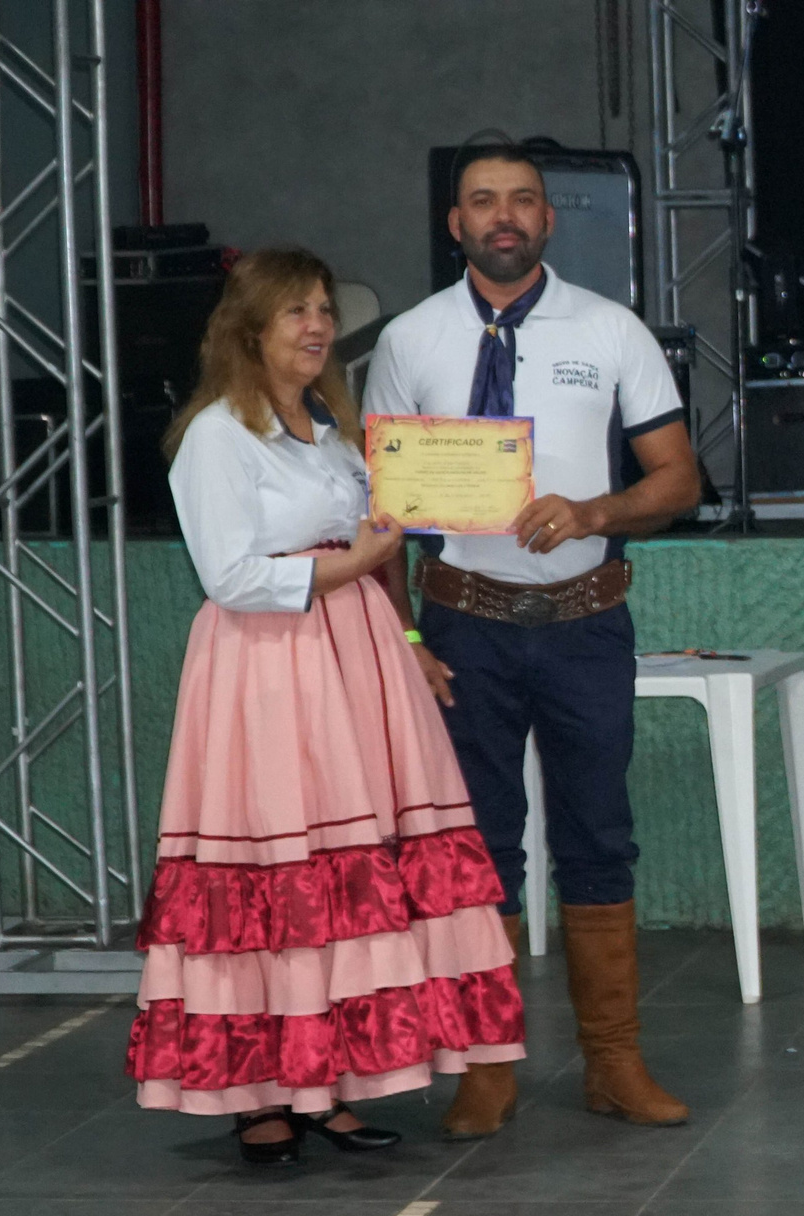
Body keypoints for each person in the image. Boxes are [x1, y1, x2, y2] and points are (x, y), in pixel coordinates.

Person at [126, 249, 525, 1165]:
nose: (315, 327)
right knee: (282, 869)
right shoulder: (218, 436)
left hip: (355, 656)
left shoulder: (330, 427)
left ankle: (331, 1080)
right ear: (249, 329)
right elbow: (230, 575)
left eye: (320, 311)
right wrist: (354, 563)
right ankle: (263, 1091)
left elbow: (375, 542)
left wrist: (408, 642)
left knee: (356, 871)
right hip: (267, 664)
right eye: (294, 312)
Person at [364, 142, 702, 1137]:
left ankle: (614, 1064)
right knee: (480, 850)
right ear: (455, 223)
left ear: (548, 221)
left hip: (585, 625)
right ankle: (488, 1067)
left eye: (521, 201)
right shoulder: (410, 341)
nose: (502, 216)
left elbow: (678, 480)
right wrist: (405, 637)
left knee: (600, 837)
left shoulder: (611, 330)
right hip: (462, 625)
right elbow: (382, 517)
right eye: (482, 202)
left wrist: (593, 511)